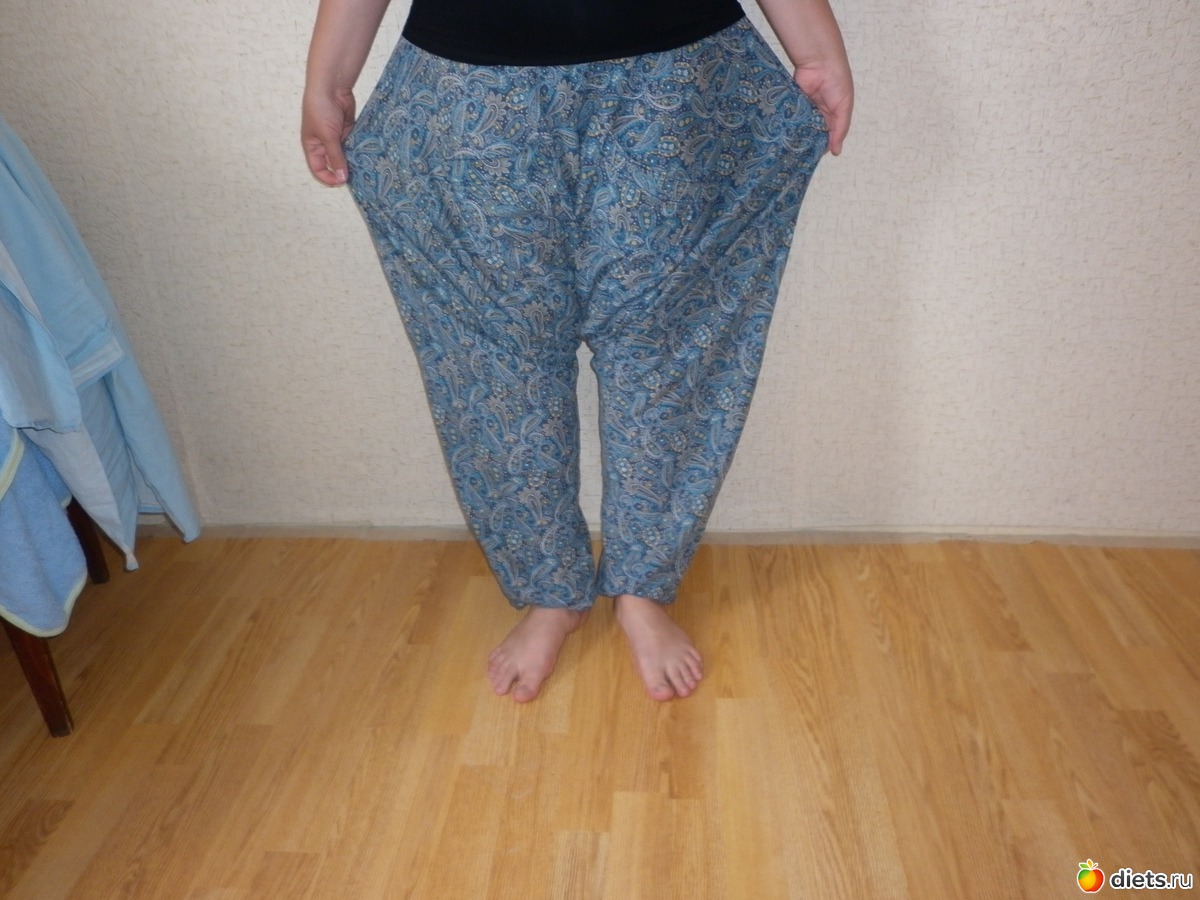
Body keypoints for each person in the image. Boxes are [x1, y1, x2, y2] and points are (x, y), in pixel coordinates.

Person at [302, 0, 852, 703]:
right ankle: (550, 592)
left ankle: (642, 587)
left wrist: (817, 52)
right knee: (499, 355)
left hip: (673, 74)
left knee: (663, 341)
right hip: (468, 85)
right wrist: (328, 81)